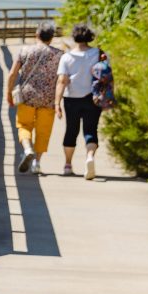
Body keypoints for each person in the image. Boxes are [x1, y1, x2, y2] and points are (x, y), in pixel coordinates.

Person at [5, 23, 63, 175]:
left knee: (24, 126)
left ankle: (27, 149)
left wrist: (8, 93)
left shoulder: (25, 51)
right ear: (51, 38)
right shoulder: (59, 54)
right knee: (43, 131)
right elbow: (62, 79)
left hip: (27, 97)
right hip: (48, 98)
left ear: (36, 35)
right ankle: (36, 163)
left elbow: (12, 74)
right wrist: (58, 101)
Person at [55, 23, 104, 179]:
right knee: (90, 130)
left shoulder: (67, 57)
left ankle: (68, 165)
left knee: (71, 130)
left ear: (74, 37)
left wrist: (57, 103)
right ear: (90, 36)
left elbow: (62, 81)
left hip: (71, 99)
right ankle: (90, 157)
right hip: (93, 98)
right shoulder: (99, 53)